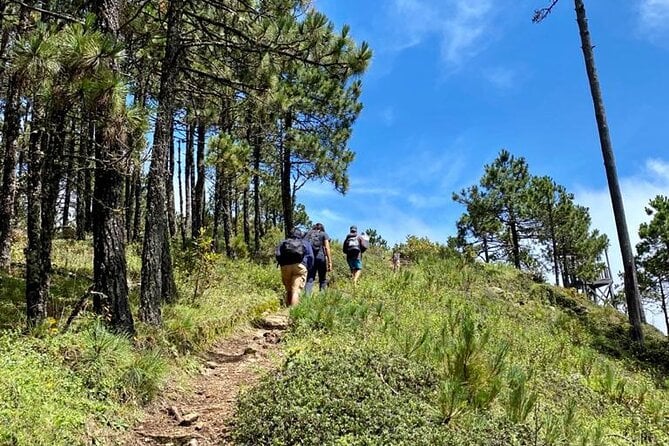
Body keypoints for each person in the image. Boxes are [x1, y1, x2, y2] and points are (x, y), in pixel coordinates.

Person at [275, 228, 314, 306]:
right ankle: (293, 312)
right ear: (300, 235)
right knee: (295, 291)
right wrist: (307, 267)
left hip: (285, 267)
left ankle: (287, 309)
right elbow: (311, 257)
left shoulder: (283, 242)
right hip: (299, 267)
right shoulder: (305, 243)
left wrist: (283, 264)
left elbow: (278, 254)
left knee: (289, 290)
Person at [304, 222, 332, 294]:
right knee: (322, 279)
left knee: (310, 279)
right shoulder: (323, 234)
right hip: (321, 258)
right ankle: (322, 298)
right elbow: (327, 248)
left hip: (310, 258)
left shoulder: (309, 234)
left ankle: (307, 299)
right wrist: (329, 262)